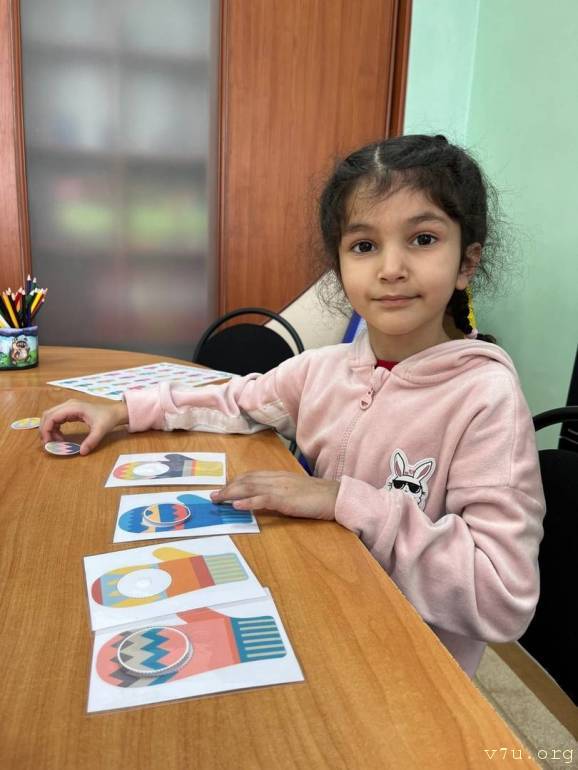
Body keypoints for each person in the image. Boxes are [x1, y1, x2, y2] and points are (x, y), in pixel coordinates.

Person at [40, 134, 545, 678]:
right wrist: (122, 411)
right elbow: (234, 399)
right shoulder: (322, 369)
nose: (391, 267)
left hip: (406, 670)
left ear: (467, 262)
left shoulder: (485, 398)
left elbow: (502, 597)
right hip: (314, 615)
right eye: (364, 246)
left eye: (422, 239)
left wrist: (342, 500)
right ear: (340, 266)